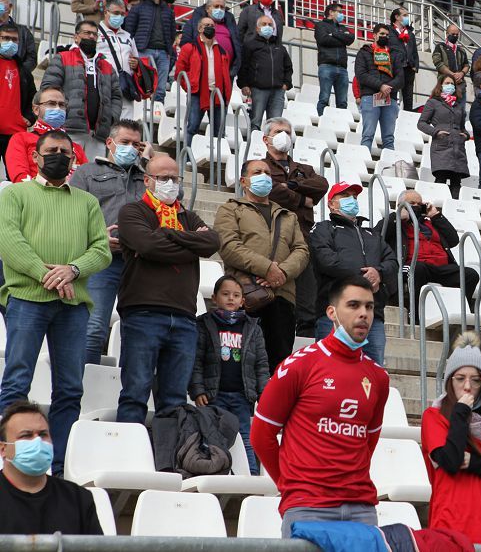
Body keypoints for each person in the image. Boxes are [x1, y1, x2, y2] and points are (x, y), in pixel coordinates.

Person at [0, 129, 110, 475]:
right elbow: (9, 241)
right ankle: (9, 457)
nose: (58, 155)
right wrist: (45, 274)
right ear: (36, 156)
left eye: (64, 150)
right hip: (27, 299)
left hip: (72, 306)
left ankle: (58, 464)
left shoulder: (87, 202)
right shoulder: (15, 194)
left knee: (69, 388)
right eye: (51, 150)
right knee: (17, 381)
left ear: (74, 158)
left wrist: (73, 270)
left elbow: (101, 250)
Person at [251, 273, 389, 537]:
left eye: (369, 307)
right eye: (354, 305)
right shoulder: (299, 365)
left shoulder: (378, 377)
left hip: (362, 508)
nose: (364, 314)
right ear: (332, 312)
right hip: (308, 506)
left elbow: (368, 442)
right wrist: (290, 484)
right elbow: (261, 435)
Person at [114, 154, 221, 426]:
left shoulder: (187, 214)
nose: (171, 183)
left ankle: (167, 457)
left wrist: (168, 233)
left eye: (175, 178)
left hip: (184, 317)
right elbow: (148, 246)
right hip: (143, 313)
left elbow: (211, 242)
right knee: (135, 393)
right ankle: (129, 456)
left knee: (174, 400)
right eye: (163, 178)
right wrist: (189, 244)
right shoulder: (133, 211)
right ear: (148, 180)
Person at [421, 332, 481, 543]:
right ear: (449, 381)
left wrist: (475, 462)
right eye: (460, 378)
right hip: (450, 529)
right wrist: (460, 413)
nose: (467, 386)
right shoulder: (434, 417)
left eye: (475, 380)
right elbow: (451, 461)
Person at [216, 159, 310, 370]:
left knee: (278, 368)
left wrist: (282, 273)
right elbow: (229, 246)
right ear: (243, 180)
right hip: (245, 298)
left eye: (267, 172)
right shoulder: (230, 209)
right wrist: (267, 269)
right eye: (257, 172)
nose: (264, 176)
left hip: (283, 299)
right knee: (242, 367)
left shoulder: (288, 216)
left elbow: (302, 251)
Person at [69, 119, 147, 366]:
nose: (131, 148)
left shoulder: (148, 178)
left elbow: (172, 201)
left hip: (140, 265)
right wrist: (97, 236)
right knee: (93, 330)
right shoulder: (86, 173)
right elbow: (71, 214)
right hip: (100, 262)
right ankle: (83, 392)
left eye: (136, 144)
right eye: (125, 142)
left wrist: (149, 161)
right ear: (110, 143)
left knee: (139, 335)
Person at [188, 275, 269, 475]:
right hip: (214, 395)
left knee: (245, 437)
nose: (230, 298)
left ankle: (250, 475)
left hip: (242, 396)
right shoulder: (205, 324)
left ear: (243, 301)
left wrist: (264, 394)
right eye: (225, 294)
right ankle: (213, 474)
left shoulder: (253, 328)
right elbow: (196, 360)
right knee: (212, 436)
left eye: (236, 295)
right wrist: (197, 389)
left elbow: (261, 365)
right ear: (214, 298)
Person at [309, 182, 395, 364]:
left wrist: (378, 273)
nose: (352, 200)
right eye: (346, 196)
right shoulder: (323, 228)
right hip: (334, 314)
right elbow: (326, 260)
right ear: (331, 204)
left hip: (372, 316)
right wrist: (363, 277)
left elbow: (392, 262)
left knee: (372, 374)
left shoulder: (372, 234)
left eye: (355, 197)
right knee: (330, 371)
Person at [261, 117, 328, 337]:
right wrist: (302, 199)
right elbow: (269, 190)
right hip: (271, 236)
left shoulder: (304, 169)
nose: (284, 136)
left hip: (302, 236)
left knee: (307, 296)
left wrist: (290, 185)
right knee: (274, 296)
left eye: (288, 132)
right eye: (279, 131)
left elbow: (321, 185)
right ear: (266, 138)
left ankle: (306, 340)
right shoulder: (259, 168)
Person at [0, 400, 103, 534]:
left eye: (43, 435)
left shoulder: (79, 499)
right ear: (3, 449)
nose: (37, 441)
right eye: (26, 435)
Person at [381, 188, 479, 312]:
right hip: (413, 265)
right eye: (411, 203)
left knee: (470, 274)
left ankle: (459, 312)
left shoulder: (431, 223)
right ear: (401, 205)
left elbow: (453, 240)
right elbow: (379, 235)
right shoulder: (395, 222)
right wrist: (397, 217)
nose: (416, 206)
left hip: (440, 267)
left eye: (419, 204)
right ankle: (416, 315)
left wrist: (435, 215)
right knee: (417, 268)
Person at [39, 20, 122, 160]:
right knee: (67, 172)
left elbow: (116, 97)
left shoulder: (107, 66)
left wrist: (111, 118)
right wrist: (62, 113)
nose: (91, 36)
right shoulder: (62, 58)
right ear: (76, 37)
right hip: (69, 129)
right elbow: (49, 88)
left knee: (92, 176)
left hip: (98, 135)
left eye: (94, 34)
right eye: (87, 33)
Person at [5, 88, 86, 183]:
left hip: (72, 195)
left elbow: (87, 178)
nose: (57, 108)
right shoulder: (21, 139)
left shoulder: (76, 148)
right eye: (51, 103)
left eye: (61, 105)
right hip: (33, 194)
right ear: (36, 109)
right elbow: (19, 175)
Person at [175, 15, 231, 147]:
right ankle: (187, 157)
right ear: (200, 28)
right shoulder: (190, 47)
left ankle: (216, 159)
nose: (210, 28)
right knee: (192, 126)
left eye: (212, 26)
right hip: (198, 93)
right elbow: (180, 72)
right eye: (207, 25)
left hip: (218, 95)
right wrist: (191, 87)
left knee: (219, 131)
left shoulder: (222, 50)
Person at [123, 0, 175, 104]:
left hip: (163, 53)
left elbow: (172, 33)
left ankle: (156, 120)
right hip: (143, 51)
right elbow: (129, 31)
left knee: (161, 90)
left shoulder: (168, 11)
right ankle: (142, 119)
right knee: (143, 86)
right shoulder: (137, 8)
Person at [354, 23, 404, 150]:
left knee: (388, 138)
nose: (384, 37)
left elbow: (400, 78)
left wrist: (388, 88)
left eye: (387, 35)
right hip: (370, 97)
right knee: (368, 135)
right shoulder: (364, 52)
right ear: (374, 35)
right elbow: (361, 75)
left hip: (390, 98)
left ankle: (390, 166)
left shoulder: (395, 54)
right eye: (382, 34)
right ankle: (363, 164)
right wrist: (381, 86)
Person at [419, 76, 470, 197]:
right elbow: (421, 123)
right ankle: (437, 208)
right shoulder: (433, 102)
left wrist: (466, 135)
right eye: (447, 83)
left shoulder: (458, 105)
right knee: (441, 178)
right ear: (440, 85)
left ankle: (455, 210)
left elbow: (462, 127)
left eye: (452, 83)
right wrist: (436, 132)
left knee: (456, 181)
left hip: (458, 147)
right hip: (441, 146)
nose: (450, 85)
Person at [238, 16, 292, 130]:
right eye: (264, 24)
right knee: (255, 122)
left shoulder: (280, 47)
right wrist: (244, 84)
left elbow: (288, 67)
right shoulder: (250, 45)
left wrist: (286, 84)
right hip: (258, 89)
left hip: (278, 91)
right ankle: (253, 145)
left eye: (270, 24)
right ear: (257, 28)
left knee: (275, 125)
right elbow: (243, 66)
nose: (267, 27)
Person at [95, 0, 141, 119]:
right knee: (103, 120)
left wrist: (136, 64)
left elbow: (136, 58)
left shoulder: (128, 36)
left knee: (126, 123)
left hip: (124, 85)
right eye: (116, 13)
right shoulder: (94, 32)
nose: (119, 17)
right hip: (102, 83)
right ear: (106, 12)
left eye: (122, 14)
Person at [180, 0, 241, 81]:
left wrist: (233, 70)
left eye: (222, 7)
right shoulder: (193, 23)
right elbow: (185, 43)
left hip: (226, 73)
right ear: (208, 9)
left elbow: (237, 46)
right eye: (216, 6)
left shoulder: (230, 25)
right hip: (201, 72)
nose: (219, 9)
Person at [0, 24, 33, 167]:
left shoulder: (23, 70)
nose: (10, 43)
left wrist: (30, 117)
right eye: (5, 38)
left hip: (15, 133)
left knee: (15, 179)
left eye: (14, 40)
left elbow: (34, 97)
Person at [313, 3, 355, 115]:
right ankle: (321, 120)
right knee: (324, 98)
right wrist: (341, 37)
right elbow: (324, 40)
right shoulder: (321, 25)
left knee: (342, 102)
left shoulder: (343, 27)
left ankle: (340, 122)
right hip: (326, 65)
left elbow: (351, 38)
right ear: (331, 12)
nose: (342, 14)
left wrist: (333, 34)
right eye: (339, 11)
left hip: (342, 68)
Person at [384, 7, 419, 112]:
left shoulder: (410, 33)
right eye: (404, 15)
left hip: (409, 68)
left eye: (407, 15)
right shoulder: (388, 30)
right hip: (395, 67)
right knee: (392, 92)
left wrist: (415, 66)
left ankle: (408, 117)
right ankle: (390, 114)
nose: (407, 17)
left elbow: (414, 52)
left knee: (408, 96)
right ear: (396, 17)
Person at [431, 24, 471, 110]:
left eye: (457, 34)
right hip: (445, 84)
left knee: (461, 112)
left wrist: (461, 73)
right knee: (444, 110)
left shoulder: (461, 50)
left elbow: (466, 65)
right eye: (453, 34)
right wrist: (452, 75)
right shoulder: (440, 47)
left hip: (460, 85)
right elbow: (438, 63)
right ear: (447, 34)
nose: (455, 36)